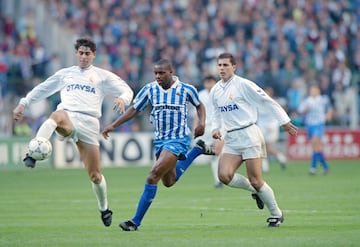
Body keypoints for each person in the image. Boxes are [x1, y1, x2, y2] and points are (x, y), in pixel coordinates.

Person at [12, 37, 134, 227]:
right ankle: (32, 153)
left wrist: (122, 99)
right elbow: (43, 88)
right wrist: (24, 103)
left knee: (95, 175)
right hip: (68, 116)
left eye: (87, 53)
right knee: (56, 115)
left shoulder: (102, 76)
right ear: (76, 53)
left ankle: (104, 208)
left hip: (90, 124)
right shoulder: (66, 74)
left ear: (93, 55)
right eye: (81, 53)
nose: (84, 57)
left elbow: (126, 89)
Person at [102, 58, 214, 231]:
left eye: (161, 73)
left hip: (179, 139)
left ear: (171, 72)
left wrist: (202, 123)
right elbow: (134, 109)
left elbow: (200, 106)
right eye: (155, 73)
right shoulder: (150, 89)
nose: (158, 76)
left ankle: (134, 222)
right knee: (169, 181)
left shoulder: (186, 89)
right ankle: (197, 150)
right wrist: (114, 125)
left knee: (152, 175)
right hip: (160, 140)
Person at [210, 53, 298, 227]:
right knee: (224, 176)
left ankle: (276, 214)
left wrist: (284, 122)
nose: (221, 68)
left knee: (257, 180)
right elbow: (216, 113)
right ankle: (254, 191)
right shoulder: (215, 90)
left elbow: (267, 100)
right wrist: (215, 128)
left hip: (249, 134)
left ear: (234, 67)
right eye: (219, 65)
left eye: (225, 65)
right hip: (232, 138)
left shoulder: (243, 84)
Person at [193, 75, 224, 188]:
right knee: (214, 153)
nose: (209, 85)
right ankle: (218, 179)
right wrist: (195, 126)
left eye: (211, 82)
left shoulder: (220, 93)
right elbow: (196, 113)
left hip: (220, 127)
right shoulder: (201, 95)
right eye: (207, 82)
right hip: (206, 127)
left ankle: (219, 179)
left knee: (218, 152)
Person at [298, 84, 332, 175]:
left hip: (319, 124)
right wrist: (306, 109)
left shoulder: (323, 99)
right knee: (316, 147)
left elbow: (330, 108)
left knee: (315, 143)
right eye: (311, 90)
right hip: (310, 125)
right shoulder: (307, 101)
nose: (312, 92)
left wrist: (328, 115)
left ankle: (313, 168)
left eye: (314, 90)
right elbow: (300, 111)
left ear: (318, 91)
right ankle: (325, 166)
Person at [257, 86, 287, 173]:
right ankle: (265, 168)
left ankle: (282, 159)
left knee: (269, 148)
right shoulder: (258, 103)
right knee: (262, 148)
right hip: (262, 127)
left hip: (272, 127)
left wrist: (275, 125)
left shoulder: (274, 103)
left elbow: (279, 114)